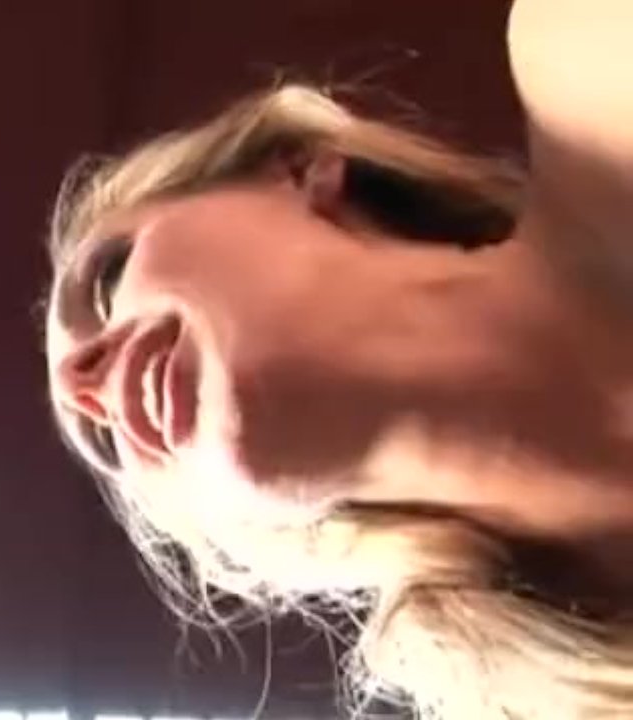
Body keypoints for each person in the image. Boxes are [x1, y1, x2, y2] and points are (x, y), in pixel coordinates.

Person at [41, 1, 633, 717]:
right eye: (103, 443)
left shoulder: (590, 61)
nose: (77, 386)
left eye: (108, 279)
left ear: (298, 171)